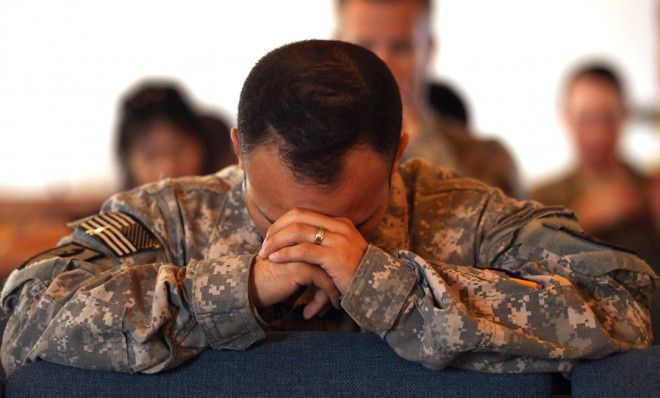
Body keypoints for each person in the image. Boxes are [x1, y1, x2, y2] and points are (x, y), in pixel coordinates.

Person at [1, 40, 656, 377]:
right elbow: (20, 315)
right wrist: (238, 290)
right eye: (273, 218)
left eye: (352, 222)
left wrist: (391, 288)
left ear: (397, 153)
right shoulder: (173, 218)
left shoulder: (464, 216)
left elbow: (636, 302)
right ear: (237, 148)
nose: (309, 247)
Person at [335, 0, 522, 198]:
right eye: (365, 46)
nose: (383, 65)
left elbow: (484, 224)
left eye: (401, 48)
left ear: (429, 50)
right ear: (337, 48)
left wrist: (416, 135)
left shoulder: (487, 158)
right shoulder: (311, 150)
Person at [531, 62, 660, 341]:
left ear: (625, 115)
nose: (598, 133)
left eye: (608, 117)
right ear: (566, 118)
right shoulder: (543, 197)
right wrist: (587, 219)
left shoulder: (651, 189)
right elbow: (527, 278)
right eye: (586, 118)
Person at [116, 81, 235, 190]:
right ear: (127, 159)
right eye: (151, 155)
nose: (168, 168)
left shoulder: (238, 205)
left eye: (178, 149)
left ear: (202, 145)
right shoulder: (111, 212)